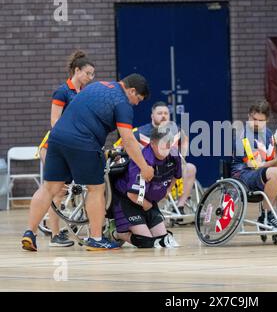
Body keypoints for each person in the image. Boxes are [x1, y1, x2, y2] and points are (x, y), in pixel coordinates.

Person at [21, 73, 152, 251]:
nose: (137, 103)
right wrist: (144, 167)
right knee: (96, 189)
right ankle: (96, 239)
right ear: (132, 90)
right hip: (83, 141)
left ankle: (30, 233)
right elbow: (127, 139)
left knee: (49, 188)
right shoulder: (123, 103)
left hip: (56, 137)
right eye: (138, 99)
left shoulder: (97, 86)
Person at [37, 50, 95, 247]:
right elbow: (55, 122)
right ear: (76, 71)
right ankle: (54, 234)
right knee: (57, 191)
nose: (90, 77)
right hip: (53, 145)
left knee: (70, 190)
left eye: (92, 74)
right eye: (88, 73)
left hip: (72, 146)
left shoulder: (84, 93)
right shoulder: (62, 91)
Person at [115, 101, 196, 215]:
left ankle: (180, 206)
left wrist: (182, 158)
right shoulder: (139, 132)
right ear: (152, 116)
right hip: (148, 172)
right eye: (160, 113)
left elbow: (185, 141)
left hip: (169, 171)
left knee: (190, 168)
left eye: (166, 113)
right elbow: (120, 145)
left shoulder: (177, 131)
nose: (163, 116)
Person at [231, 101, 277, 228]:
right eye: (254, 119)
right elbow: (255, 166)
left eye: (261, 120)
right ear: (248, 116)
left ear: (267, 120)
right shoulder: (242, 136)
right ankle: (266, 216)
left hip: (265, 173)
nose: (256, 123)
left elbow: (274, 160)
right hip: (244, 175)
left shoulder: (269, 134)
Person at [112, 125, 181, 248]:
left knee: (163, 239)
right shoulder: (144, 161)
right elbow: (132, 194)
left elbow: (177, 175)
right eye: (163, 144)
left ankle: (142, 224)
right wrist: (147, 206)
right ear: (153, 144)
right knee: (146, 242)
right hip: (128, 199)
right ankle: (118, 234)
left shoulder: (174, 155)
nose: (167, 147)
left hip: (148, 200)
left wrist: (168, 190)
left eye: (169, 144)